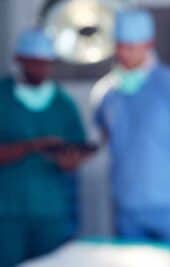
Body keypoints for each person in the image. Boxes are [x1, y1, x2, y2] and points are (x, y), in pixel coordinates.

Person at [92, 9, 170, 248]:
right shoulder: (107, 93)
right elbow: (104, 138)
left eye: (131, 47)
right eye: (120, 46)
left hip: (168, 206)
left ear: (148, 44)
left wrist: (168, 175)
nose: (124, 53)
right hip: (126, 207)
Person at [0, 28, 90, 266]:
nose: (40, 70)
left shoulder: (62, 103)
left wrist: (69, 161)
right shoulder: (3, 98)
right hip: (7, 213)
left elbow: (77, 148)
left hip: (51, 212)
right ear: (19, 60)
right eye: (34, 63)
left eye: (45, 64)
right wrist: (33, 146)